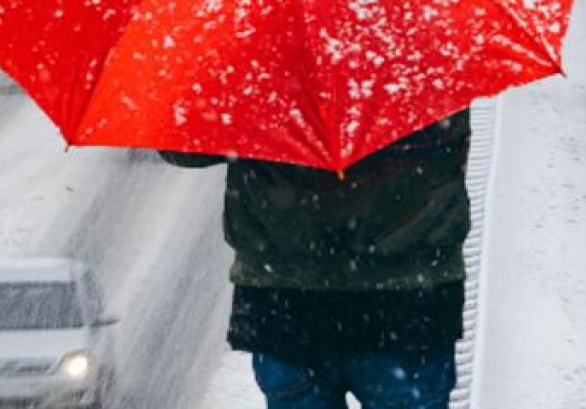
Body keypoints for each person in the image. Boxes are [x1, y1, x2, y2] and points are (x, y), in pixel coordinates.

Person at [161, 109, 472, 409]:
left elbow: (181, 142)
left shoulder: (259, 71)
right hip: (410, 302)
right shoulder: (429, 65)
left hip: (286, 303)